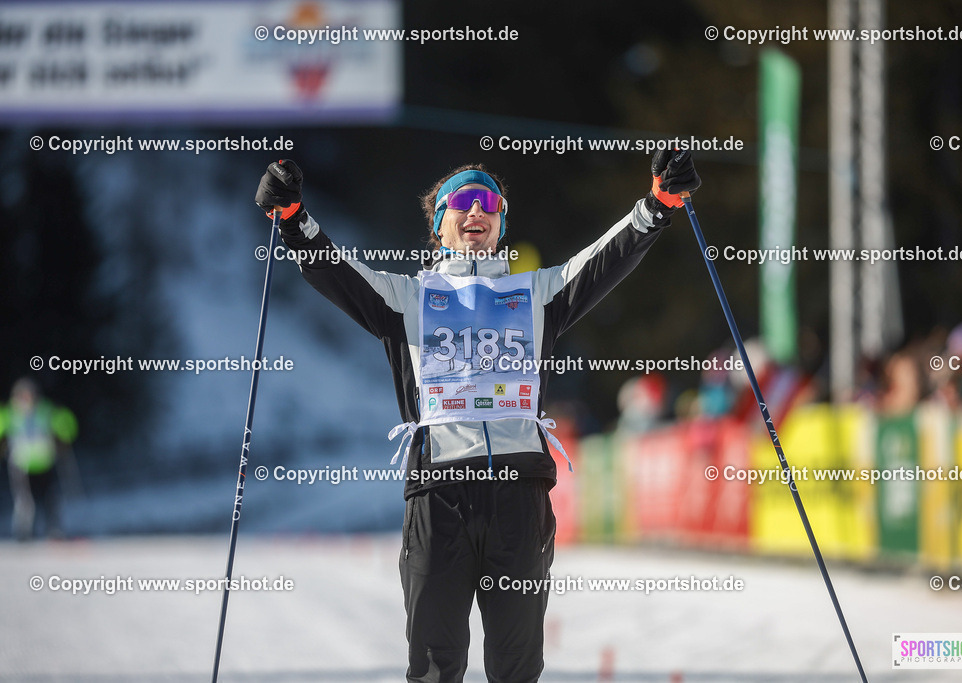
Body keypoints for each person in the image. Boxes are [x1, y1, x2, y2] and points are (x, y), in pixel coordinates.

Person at [254, 150, 700, 682]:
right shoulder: (406, 297)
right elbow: (335, 271)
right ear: (437, 224)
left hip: (518, 496)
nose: (475, 210)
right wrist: (292, 217)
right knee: (436, 666)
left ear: (500, 223)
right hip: (438, 500)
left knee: (516, 667)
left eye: (489, 202)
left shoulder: (535, 293)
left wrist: (658, 205)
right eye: (460, 202)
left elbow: (606, 259)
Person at [0, 378, 78, 541]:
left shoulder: (45, 410)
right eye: (21, 397)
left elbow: (67, 423)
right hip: (21, 464)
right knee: (25, 501)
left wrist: (65, 430)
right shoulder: (10, 414)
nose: (25, 401)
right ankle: (24, 532)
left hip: (45, 462)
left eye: (28, 396)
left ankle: (54, 530)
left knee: (50, 499)